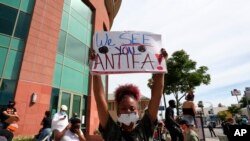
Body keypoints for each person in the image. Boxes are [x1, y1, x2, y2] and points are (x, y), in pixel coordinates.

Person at [90, 48, 168, 141]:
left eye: (132, 108)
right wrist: (94, 66)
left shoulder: (145, 129)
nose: (128, 111)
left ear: (138, 111)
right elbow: (99, 98)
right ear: (118, 113)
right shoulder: (111, 131)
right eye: (123, 108)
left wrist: (161, 63)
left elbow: (157, 95)